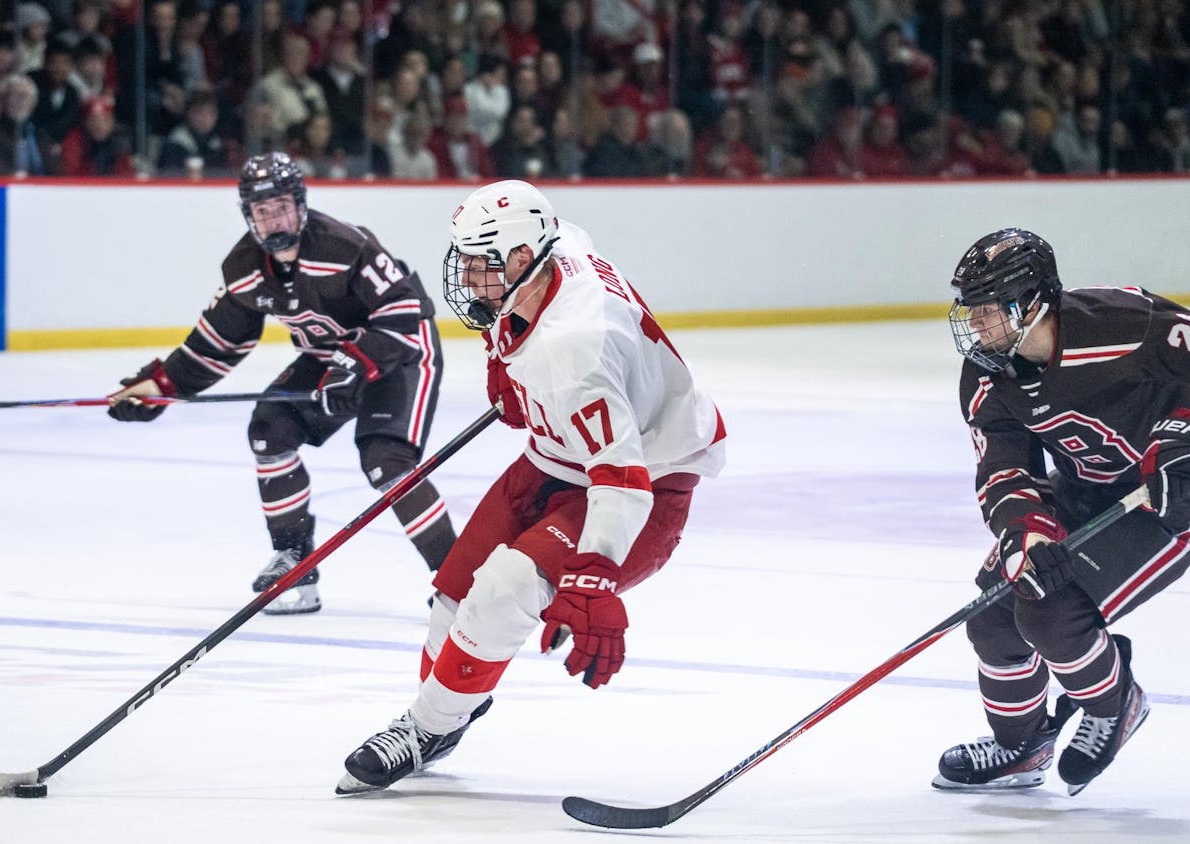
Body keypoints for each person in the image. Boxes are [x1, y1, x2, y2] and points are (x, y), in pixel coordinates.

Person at [336, 180, 726, 794]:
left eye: (476, 264)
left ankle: (424, 726)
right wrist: (505, 353)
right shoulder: (551, 248)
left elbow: (620, 480)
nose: (464, 277)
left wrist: (593, 573)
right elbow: (563, 245)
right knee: (453, 595)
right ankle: (444, 714)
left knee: (503, 591)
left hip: (645, 479)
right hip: (556, 458)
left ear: (520, 258)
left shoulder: (575, 349)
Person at [935, 229, 1190, 795]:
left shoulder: (1118, 322)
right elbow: (1006, 470)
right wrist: (1025, 535)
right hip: (1087, 488)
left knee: (1049, 612)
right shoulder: (987, 377)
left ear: (1034, 303)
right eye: (972, 310)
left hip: (1173, 498)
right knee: (991, 613)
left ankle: (1117, 705)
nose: (977, 325)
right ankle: (1022, 746)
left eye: (990, 310)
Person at [106, 152, 457, 614]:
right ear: (248, 216)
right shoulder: (244, 269)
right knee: (270, 429)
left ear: (302, 204)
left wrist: (355, 365)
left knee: (385, 461)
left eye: (282, 207)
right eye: (262, 211)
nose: (274, 221)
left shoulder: (344, 246)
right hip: (330, 358)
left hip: (401, 353)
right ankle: (296, 563)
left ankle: (462, 586)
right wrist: (161, 386)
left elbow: (403, 311)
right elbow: (216, 344)